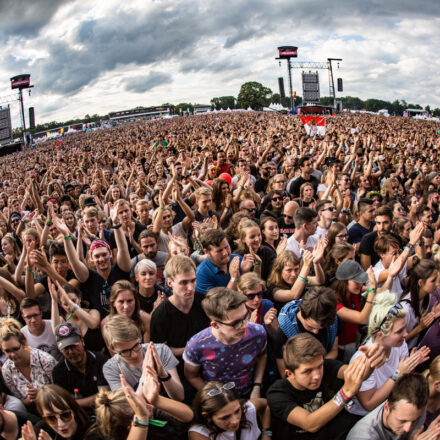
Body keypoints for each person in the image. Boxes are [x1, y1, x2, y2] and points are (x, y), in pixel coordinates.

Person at [267, 333, 374, 440]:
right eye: (307, 371)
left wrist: (370, 362)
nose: (317, 375)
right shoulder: (277, 393)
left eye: (319, 366)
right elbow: (310, 424)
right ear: (289, 373)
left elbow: (356, 374)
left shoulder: (327, 367)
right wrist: (344, 394)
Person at [347, 291, 430, 417]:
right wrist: (397, 375)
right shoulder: (363, 359)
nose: (406, 334)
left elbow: (402, 377)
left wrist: (410, 365)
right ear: (380, 335)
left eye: (405, 328)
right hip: (363, 416)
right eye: (399, 331)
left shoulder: (400, 344)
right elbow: (368, 404)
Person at [53, 201, 132, 318]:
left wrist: (116, 223)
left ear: (110, 254)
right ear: (91, 258)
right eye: (97, 256)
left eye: (104, 254)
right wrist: (66, 235)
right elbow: (74, 261)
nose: (101, 259)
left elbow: (123, 249)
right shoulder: (89, 277)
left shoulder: (121, 269)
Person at [183, 287, 267, 398]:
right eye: (236, 323)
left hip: (248, 394)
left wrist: (257, 386)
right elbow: (192, 376)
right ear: (215, 325)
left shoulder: (258, 333)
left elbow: (262, 355)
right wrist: (216, 397)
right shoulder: (196, 345)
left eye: (246, 316)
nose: (246, 325)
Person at [102, 315, 184, 401]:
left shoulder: (160, 350)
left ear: (139, 337)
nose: (134, 355)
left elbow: (179, 396)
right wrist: (145, 376)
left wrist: (163, 375)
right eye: (125, 351)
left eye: (136, 345)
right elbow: (133, 406)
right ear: (112, 349)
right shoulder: (111, 368)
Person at [347, 373, 440, 440]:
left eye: (415, 421)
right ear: (387, 407)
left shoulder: (417, 410)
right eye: (402, 421)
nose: (408, 428)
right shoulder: (363, 435)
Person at [274, 286, 339, 375]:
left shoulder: (332, 321)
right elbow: (284, 371)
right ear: (301, 310)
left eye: (321, 328)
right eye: (310, 327)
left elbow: (334, 350)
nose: (316, 332)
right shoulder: (284, 332)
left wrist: (319, 366)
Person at [0, 318, 57, 408]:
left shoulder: (45, 360)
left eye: (16, 349)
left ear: (23, 344)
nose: (13, 355)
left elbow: (59, 391)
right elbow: (19, 401)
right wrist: (28, 400)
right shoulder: (7, 370)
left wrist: (40, 395)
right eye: (7, 351)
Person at [52, 322, 109, 411]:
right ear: (60, 350)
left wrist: (74, 403)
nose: (71, 352)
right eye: (66, 348)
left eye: (74, 345)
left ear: (82, 341)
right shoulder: (58, 372)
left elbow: (105, 396)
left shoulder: (101, 361)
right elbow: (64, 403)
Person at [189, 381, 272, 440]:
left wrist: (266, 434)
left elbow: (266, 405)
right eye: (225, 417)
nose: (235, 421)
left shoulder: (247, 409)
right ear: (207, 416)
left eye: (237, 411)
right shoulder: (199, 433)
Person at [21, 384, 92, 440]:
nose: (61, 424)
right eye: (51, 418)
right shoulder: (42, 430)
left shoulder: (93, 431)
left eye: (66, 415)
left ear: (74, 411)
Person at [195, 229, 252, 294]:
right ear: (207, 252)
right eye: (219, 251)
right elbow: (221, 302)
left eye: (227, 247)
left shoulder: (237, 259)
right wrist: (233, 279)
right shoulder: (201, 275)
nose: (225, 253)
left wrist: (245, 272)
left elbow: (251, 291)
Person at [401, 259, 440, 349]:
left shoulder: (427, 296)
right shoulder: (405, 309)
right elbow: (395, 342)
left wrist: (432, 315)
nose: (437, 284)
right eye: (433, 281)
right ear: (421, 283)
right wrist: (420, 328)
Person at [101, 280, 151, 344]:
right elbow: (113, 352)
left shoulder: (146, 319)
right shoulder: (106, 324)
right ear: (113, 303)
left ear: (135, 301)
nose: (126, 306)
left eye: (129, 301)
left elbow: (146, 348)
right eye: (121, 302)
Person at [20, 298, 61, 362]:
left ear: (41, 313)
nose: (33, 320)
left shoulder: (53, 325)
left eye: (35, 315)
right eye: (28, 317)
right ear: (23, 318)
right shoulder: (22, 335)